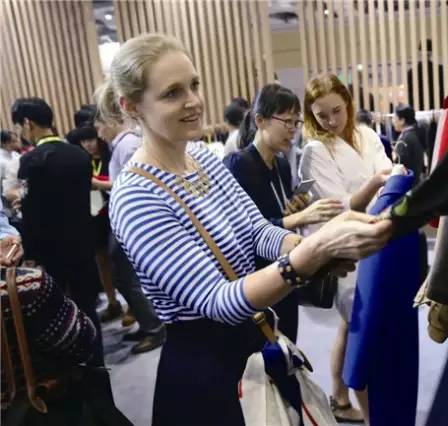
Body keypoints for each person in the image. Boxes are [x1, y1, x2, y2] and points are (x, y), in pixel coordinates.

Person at [98, 33, 391, 425]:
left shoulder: (203, 158)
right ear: (131, 106)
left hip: (254, 343)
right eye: (172, 93)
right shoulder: (136, 195)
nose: (193, 101)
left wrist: (314, 246)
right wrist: (309, 254)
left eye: (194, 85)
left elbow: (257, 231)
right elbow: (218, 301)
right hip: (206, 370)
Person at [299, 72, 393, 424]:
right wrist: (375, 184)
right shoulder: (315, 150)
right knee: (363, 334)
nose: (331, 121)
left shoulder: (367, 134)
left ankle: (339, 397)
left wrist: (386, 181)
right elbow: (340, 209)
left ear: (349, 104)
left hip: (379, 244)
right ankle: (371, 418)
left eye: (337, 111)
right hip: (345, 254)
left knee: (350, 327)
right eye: (321, 115)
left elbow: (390, 174)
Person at [224, 83, 343, 342]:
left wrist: (293, 207)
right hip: (256, 281)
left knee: (289, 347)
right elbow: (243, 233)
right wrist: (301, 217)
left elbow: (276, 214)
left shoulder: (280, 163)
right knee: (264, 353)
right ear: (260, 120)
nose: (293, 129)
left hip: (286, 273)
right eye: (287, 121)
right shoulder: (238, 165)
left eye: (296, 122)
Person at [11, 97, 105, 366]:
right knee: (88, 309)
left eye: (19, 126)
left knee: (58, 314)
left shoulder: (31, 161)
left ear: (27, 123)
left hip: (51, 251)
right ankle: (98, 365)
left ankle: (73, 371)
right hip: (83, 244)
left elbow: (32, 214)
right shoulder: (79, 155)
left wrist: (30, 254)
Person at [94, 111, 166, 353]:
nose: (99, 133)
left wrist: (96, 183)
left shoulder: (127, 145)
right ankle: (148, 325)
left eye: (100, 126)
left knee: (129, 279)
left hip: (130, 220)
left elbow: (132, 183)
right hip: (124, 219)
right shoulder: (122, 145)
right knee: (124, 278)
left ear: (110, 121)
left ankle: (155, 328)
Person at [66, 125, 125, 323]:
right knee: (102, 260)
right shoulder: (81, 160)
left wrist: (95, 182)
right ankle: (112, 302)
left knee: (123, 262)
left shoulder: (112, 155)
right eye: (84, 141)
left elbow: (119, 182)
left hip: (115, 212)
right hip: (95, 215)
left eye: (91, 139)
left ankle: (134, 306)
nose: (89, 144)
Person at [392, 103, 426, 185]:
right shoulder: (414, 133)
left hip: (407, 184)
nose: (393, 121)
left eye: (394, 118)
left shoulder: (405, 139)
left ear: (402, 120)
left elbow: (399, 165)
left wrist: (393, 156)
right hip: (415, 182)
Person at [0, 130, 22, 225]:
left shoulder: (16, 155)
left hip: (18, 192)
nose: (17, 142)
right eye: (13, 141)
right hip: (5, 198)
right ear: (4, 143)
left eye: (16, 140)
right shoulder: (1, 160)